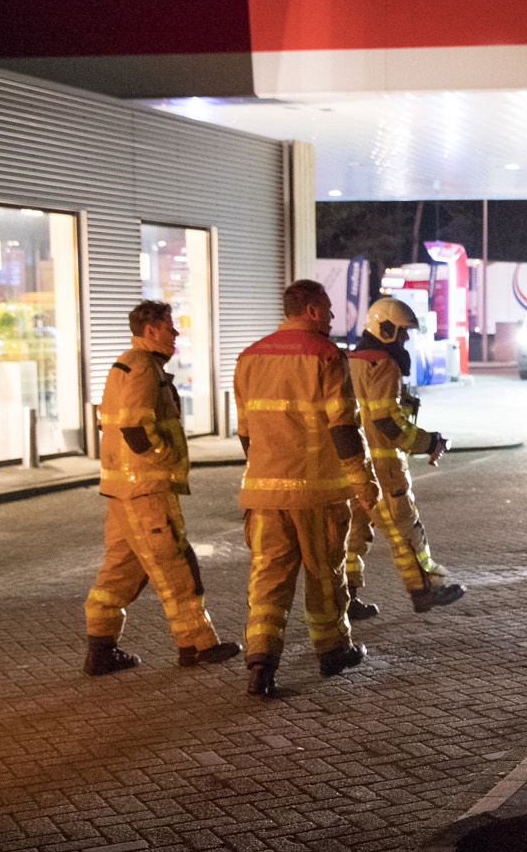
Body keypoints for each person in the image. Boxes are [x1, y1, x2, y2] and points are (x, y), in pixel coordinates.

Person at [234, 280, 381, 698]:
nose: (333, 317)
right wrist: (364, 482)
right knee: (325, 576)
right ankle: (333, 651)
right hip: (316, 494)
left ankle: (260, 664)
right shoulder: (326, 355)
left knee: (268, 581)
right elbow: (344, 428)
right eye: (329, 309)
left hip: (263, 494)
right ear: (313, 310)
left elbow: (245, 433)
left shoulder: (249, 357)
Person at [84, 301, 240, 675]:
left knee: (120, 572)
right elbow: (135, 428)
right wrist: (164, 456)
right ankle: (197, 645)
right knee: (176, 565)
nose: (176, 334)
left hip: (123, 490)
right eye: (170, 327)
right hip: (146, 490)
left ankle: (100, 650)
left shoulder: (128, 364)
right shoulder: (142, 367)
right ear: (151, 330)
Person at [343, 298, 466, 619]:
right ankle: (425, 589)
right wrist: (429, 442)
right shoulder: (384, 364)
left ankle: (345, 599)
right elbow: (388, 421)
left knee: (353, 533)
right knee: (404, 529)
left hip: (351, 464)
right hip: (383, 468)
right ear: (385, 330)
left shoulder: (350, 361)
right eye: (402, 332)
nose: (406, 339)